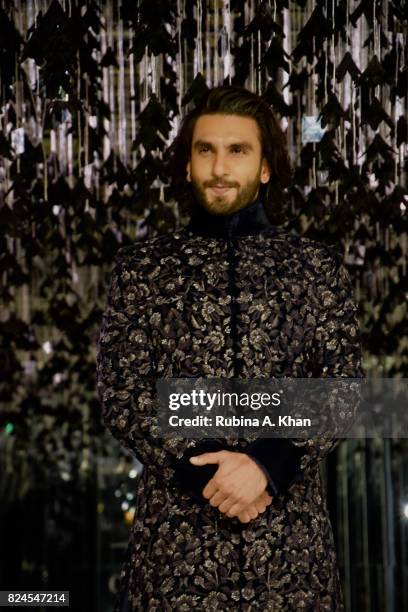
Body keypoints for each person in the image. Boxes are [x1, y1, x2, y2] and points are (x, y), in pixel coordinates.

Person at [96, 86, 363, 611]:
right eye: (205, 150)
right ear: (189, 165)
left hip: (291, 555)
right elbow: (122, 393)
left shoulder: (316, 268)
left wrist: (267, 465)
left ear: (266, 167)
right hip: (174, 556)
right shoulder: (142, 270)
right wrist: (213, 474)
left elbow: (342, 388)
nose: (219, 166)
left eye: (237, 150)